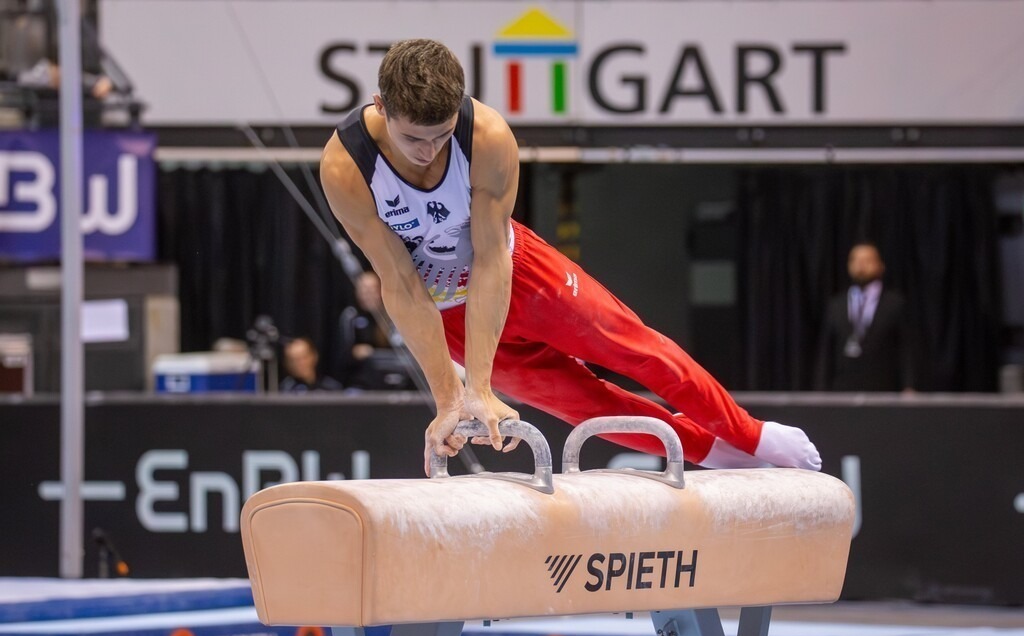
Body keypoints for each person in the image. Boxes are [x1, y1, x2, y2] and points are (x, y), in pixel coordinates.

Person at [320, 39, 820, 474]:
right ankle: (710, 451)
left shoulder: (486, 136)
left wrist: (484, 382)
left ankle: (751, 435)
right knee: (587, 406)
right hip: (443, 310)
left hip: (520, 274)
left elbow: (492, 258)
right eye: (413, 139)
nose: (429, 152)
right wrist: (454, 395)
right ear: (381, 105)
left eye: (442, 135)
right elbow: (401, 285)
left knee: (635, 350)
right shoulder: (347, 167)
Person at [817, 242, 915, 392]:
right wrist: (821, 388)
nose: (861, 265)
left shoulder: (895, 304)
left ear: (881, 265)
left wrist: (909, 385)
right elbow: (826, 351)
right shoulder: (836, 305)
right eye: (855, 260)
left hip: (883, 389)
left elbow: (906, 348)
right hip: (843, 390)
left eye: (867, 260)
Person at [339, 270, 415, 390]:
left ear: (381, 291)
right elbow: (344, 354)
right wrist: (357, 352)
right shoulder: (351, 316)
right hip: (363, 376)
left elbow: (404, 350)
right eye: (363, 290)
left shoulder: (393, 316)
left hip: (395, 373)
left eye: (371, 290)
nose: (367, 294)